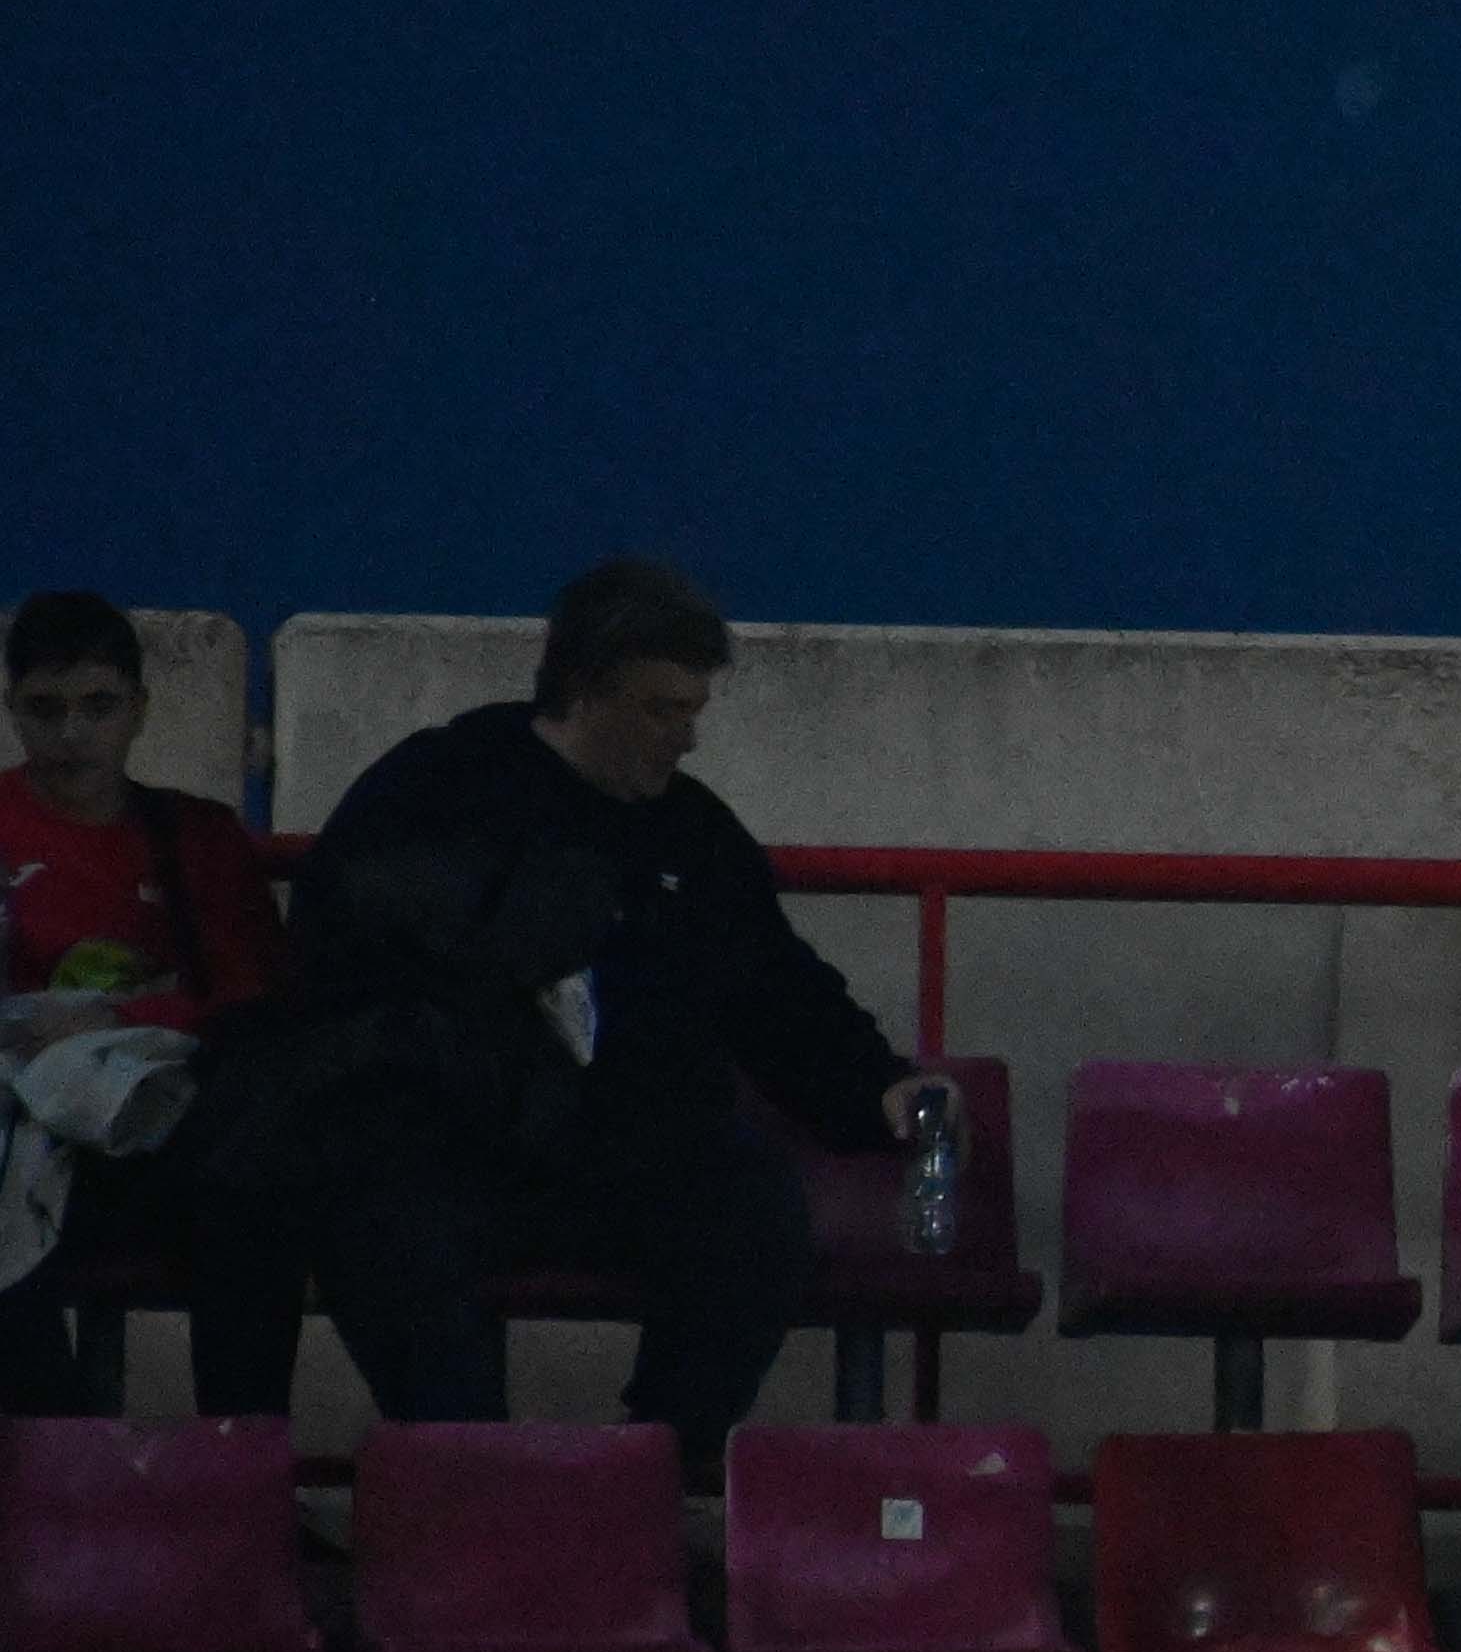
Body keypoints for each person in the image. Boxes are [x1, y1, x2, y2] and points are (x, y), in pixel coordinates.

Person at [171, 557, 933, 1448]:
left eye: (693, 712)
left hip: (631, 1148)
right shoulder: (437, 791)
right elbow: (345, 973)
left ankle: (656, 1471)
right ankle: (472, 1482)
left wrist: (878, 1085)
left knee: (755, 1214)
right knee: (386, 1228)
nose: (683, 739)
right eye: (661, 710)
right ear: (582, 691)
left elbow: (776, 986)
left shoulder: (691, 831)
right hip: (450, 1145)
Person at [0, 585, 282, 1415]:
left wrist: (109, 1018)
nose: (71, 735)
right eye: (45, 710)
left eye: (98, 706)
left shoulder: (195, 838)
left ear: (140, 710)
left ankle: (234, 1465)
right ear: (12, 709)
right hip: (23, 1128)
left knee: (260, 1187)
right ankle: (57, 1467)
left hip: (154, 1138)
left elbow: (254, 995)